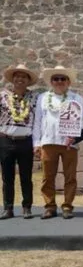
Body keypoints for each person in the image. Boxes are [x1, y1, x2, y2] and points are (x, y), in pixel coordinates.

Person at [33, 65, 83, 219]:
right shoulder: (43, 98)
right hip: (48, 142)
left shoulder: (77, 99)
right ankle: (50, 206)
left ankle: (68, 206)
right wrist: (36, 143)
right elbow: (37, 122)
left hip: (69, 144)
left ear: (68, 82)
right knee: (48, 176)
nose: (59, 81)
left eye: (63, 79)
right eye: (56, 79)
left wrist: (76, 138)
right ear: (51, 81)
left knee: (70, 176)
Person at [0, 64, 38, 219]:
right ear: (13, 79)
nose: (20, 79)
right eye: (17, 76)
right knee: (7, 177)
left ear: (28, 81)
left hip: (26, 141)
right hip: (6, 140)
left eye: (24, 77)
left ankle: (27, 207)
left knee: (26, 176)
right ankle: (8, 208)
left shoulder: (35, 97)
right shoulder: (2, 95)